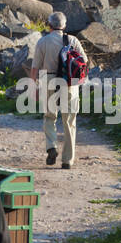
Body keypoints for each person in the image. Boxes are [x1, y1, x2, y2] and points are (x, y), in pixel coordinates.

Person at [30, 12, 87, 169]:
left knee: (49, 117)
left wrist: (33, 87)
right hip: (69, 83)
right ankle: (67, 160)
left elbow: (35, 67)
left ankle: (51, 147)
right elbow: (84, 61)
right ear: (64, 26)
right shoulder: (73, 40)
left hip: (49, 80)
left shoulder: (43, 42)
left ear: (49, 25)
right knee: (69, 121)